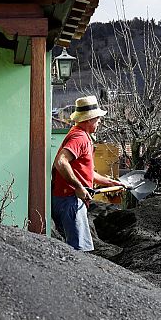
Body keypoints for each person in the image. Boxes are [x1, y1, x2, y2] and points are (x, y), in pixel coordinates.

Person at [52, 95, 122, 251]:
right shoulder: (79, 138)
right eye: (98, 119)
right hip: (70, 200)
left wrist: (110, 182)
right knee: (79, 252)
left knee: (74, 248)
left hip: (68, 198)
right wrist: (78, 187)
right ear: (89, 120)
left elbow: (87, 173)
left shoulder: (82, 136)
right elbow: (60, 162)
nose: (100, 122)